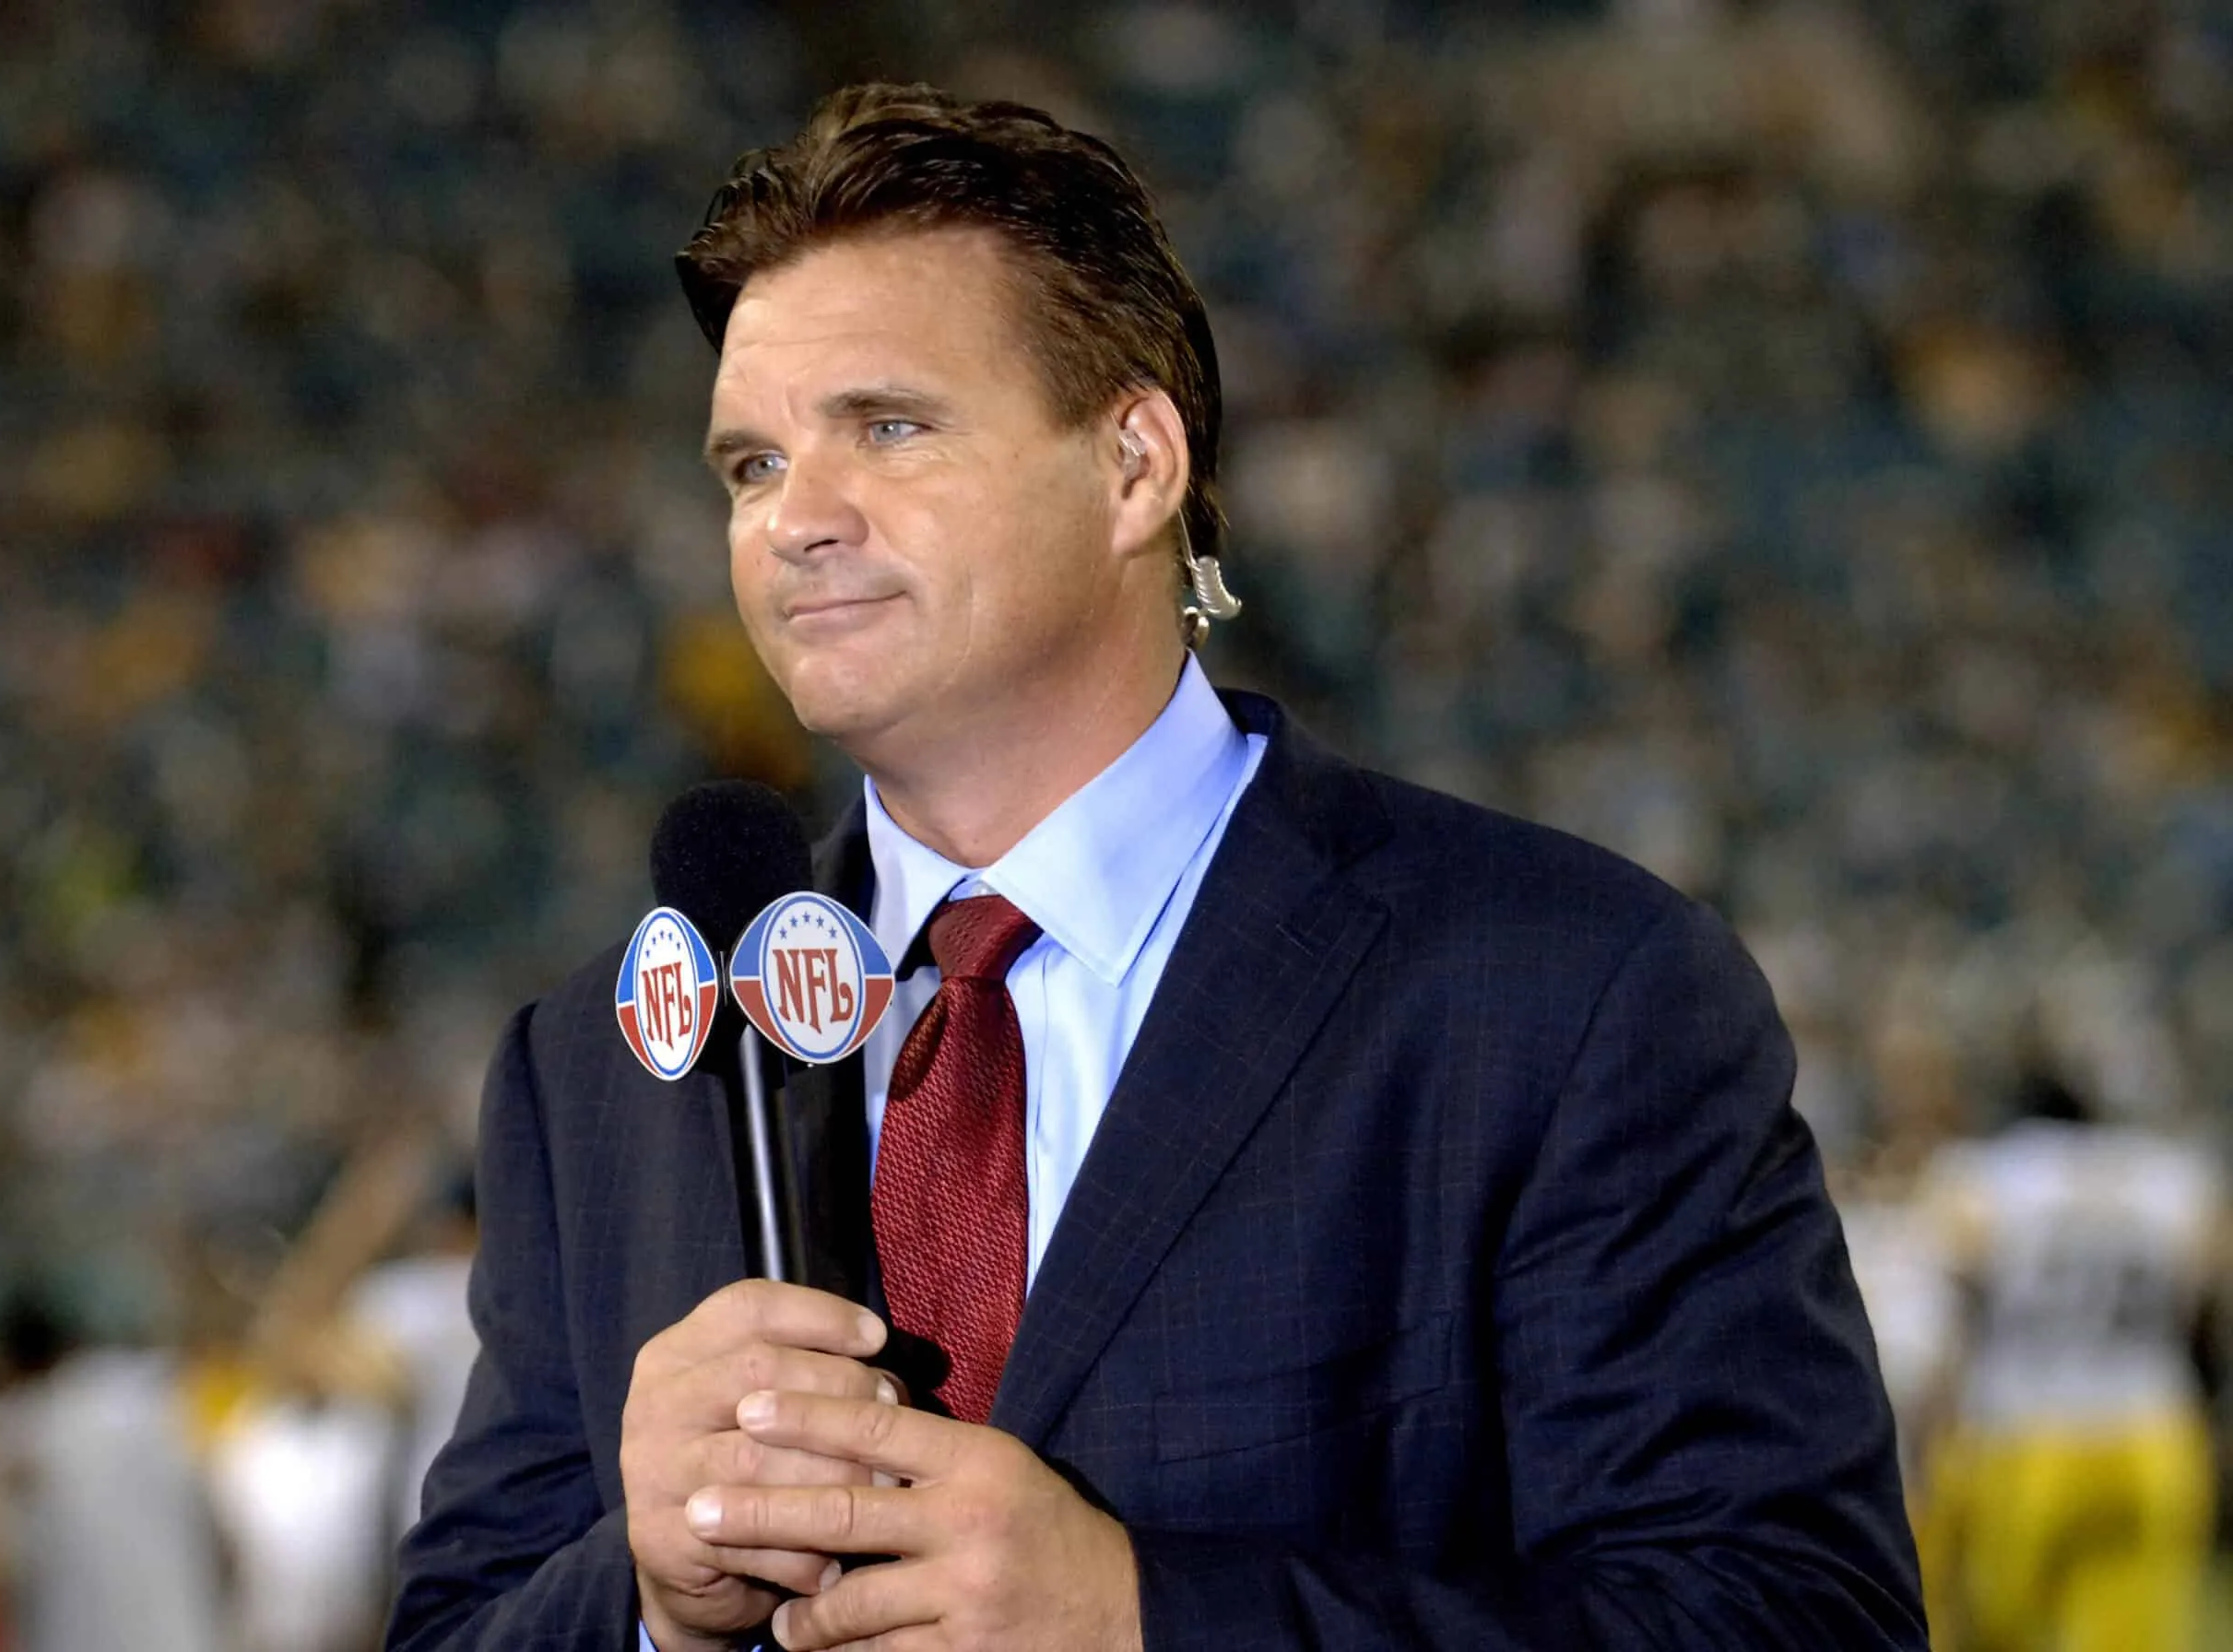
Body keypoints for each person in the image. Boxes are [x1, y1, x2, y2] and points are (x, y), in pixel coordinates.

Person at [387, 82, 1923, 1651]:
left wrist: (1145, 1617)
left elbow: (1796, 1618)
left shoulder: (1563, 990)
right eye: (751, 466)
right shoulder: (602, 1069)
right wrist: (651, 1598)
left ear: (1134, 465)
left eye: (889, 427)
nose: (796, 521)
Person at [1915, 1069, 2223, 1652]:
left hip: (2024, 1433)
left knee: (1997, 1632)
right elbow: (2208, 1275)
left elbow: (1953, 1291)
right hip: (2153, 1429)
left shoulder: (1987, 1176)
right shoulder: (2165, 1176)